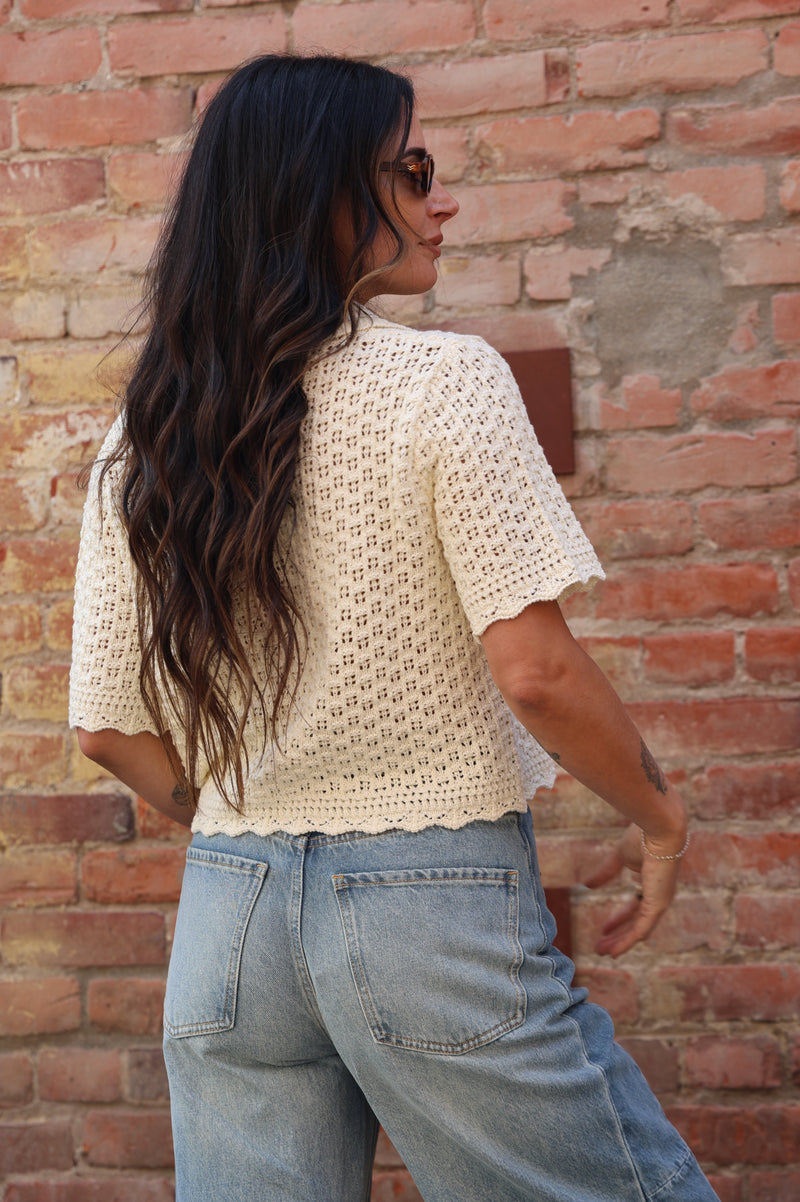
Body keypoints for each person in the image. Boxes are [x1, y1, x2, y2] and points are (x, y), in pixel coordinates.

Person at [70, 53, 719, 1202]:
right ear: (324, 196)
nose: (441, 199)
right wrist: (657, 817)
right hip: (429, 907)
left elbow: (108, 732)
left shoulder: (149, 430)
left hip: (231, 917)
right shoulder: (443, 382)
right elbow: (533, 672)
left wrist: (257, 817)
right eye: (411, 171)